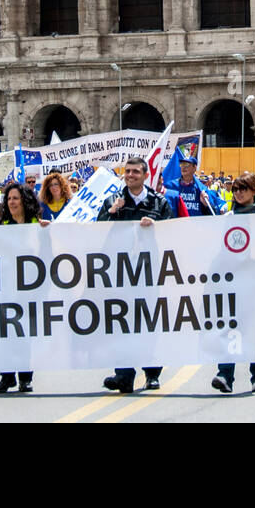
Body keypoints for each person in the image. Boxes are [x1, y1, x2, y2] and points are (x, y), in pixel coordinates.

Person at [98, 157, 172, 393]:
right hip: (121, 273)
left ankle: (152, 373)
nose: (130, 175)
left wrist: (157, 225)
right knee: (122, 324)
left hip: (150, 272)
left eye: (135, 172)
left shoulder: (159, 202)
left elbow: (173, 233)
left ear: (145, 174)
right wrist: (111, 212)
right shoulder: (112, 200)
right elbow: (98, 232)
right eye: (127, 172)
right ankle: (124, 374)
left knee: (149, 323)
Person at [212, 173, 255, 394]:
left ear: (254, 191)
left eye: (243, 189)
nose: (238, 193)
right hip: (231, 280)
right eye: (236, 189)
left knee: (254, 328)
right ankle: (225, 374)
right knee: (229, 325)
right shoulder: (228, 216)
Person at [0, 181, 50, 393]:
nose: (11, 202)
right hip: (5, 286)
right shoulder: (1, 227)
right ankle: (7, 375)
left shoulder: (36, 224)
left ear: (24, 201)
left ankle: (25, 377)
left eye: (15, 198)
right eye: (9, 199)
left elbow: (47, 256)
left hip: (30, 288)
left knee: (24, 334)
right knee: (5, 333)